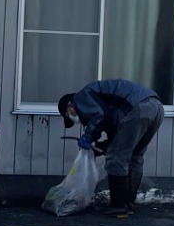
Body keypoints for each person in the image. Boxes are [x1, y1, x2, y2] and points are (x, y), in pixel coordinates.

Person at [58, 78, 164, 218]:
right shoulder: (107, 104)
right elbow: (116, 135)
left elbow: (100, 115)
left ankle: (118, 206)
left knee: (116, 159)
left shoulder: (81, 97)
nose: (73, 118)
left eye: (68, 115)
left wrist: (89, 136)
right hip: (156, 107)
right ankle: (128, 204)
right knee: (135, 155)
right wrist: (102, 146)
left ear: (70, 105)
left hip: (137, 107)